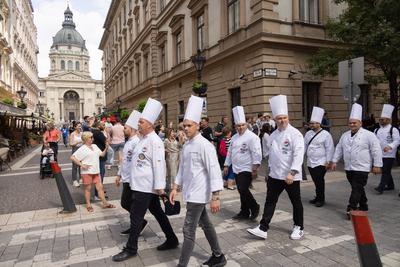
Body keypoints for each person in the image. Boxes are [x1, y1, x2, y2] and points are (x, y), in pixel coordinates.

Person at [112, 98, 178, 262]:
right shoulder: (143, 140)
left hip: (146, 187)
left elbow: (159, 165)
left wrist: (160, 187)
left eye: (141, 122)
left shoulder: (154, 141)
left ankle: (131, 248)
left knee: (135, 217)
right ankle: (172, 239)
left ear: (150, 124)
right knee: (159, 214)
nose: (138, 124)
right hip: (140, 185)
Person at [170, 95, 227, 267]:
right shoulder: (187, 145)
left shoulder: (205, 145)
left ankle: (182, 265)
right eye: (184, 126)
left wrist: (215, 197)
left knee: (188, 230)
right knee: (206, 224)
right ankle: (218, 256)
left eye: (189, 125)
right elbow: (182, 169)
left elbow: (214, 170)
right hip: (190, 191)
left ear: (197, 125)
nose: (185, 128)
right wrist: (175, 187)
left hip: (199, 194)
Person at [247, 95, 305, 240]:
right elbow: (272, 156)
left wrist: (292, 173)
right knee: (270, 201)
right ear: (275, 119)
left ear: (288, 118)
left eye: (284, 117)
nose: (282, 120)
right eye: (279, 118)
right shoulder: (273, 135)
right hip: (275, 175)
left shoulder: (295, 134)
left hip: (290, 176)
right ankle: (263, 227)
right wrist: (268, 172)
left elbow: (299, 155)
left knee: (296, 202)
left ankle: (299, 227)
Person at [331, 103, 382, 219]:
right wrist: (334, 161)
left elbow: (376, 150)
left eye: (354, 123)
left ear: (360, 123)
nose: (352, 125)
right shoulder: (345, 135)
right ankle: (363, 205)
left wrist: (377, 165)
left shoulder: (369, 135)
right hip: (349, 167)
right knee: (357, 188)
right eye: (350, 123)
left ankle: (351, 208)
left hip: (362, 167)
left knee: (356, 187)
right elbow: (339, 148)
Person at [224, 106, 262, 220]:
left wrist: (255, 168)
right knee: (241, 190)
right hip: (236, 168)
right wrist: (226, 165)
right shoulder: (234, 137)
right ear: (235, 126)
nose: (240, 127)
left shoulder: (252, 137)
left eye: (242, 125)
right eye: (238, 126)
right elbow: (230, 152)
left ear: (246, 125)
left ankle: (254, 207)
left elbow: (257, 153)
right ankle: (244, 212)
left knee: (242, 189)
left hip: (247, 168)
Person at [115, 110, 148, 235]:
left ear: (132, 129)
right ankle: (137, 224)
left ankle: (138, 223)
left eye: (125, 127)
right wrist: (119, 174)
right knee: (128, 204)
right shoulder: (129, 141)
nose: (123, 129)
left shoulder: (136, 142)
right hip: (126, 177)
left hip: (132, 179)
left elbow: (137, 163)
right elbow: (124, 161)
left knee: (126, 203)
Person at [70, 131, 115, 212]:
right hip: (87, 172)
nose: (92, 139)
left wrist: (106, 148)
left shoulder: (94, 146)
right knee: (88, 189)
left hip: (96, 171)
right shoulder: (82, 148)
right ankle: (88, 204)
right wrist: (82, 165)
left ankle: (105, 203)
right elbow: (72, 157)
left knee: (100, 188)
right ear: (86, 139)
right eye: (91, 137)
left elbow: (101, 155)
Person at [304, 107, 334, 207]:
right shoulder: (308, 133)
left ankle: (321, 199)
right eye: (311, 123)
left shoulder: (326, 134)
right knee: (315, 180)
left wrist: (328, 161)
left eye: (314, 123)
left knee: (319, 180)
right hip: (310, 161)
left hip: (321, 161)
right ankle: (317, 196)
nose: (312, 125)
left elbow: (330, 148)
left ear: (319, 123)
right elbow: (304, 146)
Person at [374, 104, 400, 194]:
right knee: (387, 170)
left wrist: (389, 146)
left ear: (388, 120)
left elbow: (397, 141)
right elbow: (374, 141)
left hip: (390, 154)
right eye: (380, 119)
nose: (381, 121)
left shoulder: (393, 129)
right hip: (380, 154)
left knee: (385, 170)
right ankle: (391, 185)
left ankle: (381, 187)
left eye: (383, 119)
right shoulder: (376, 130)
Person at [91, 121, 108, 200]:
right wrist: (107, 133)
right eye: (103, 125)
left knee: (100, 174)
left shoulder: (94, 132)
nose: (104, 126)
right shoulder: (98, 133)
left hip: (98, 155)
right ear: (98, 126)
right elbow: (107, 142)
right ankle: (97, 194)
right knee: (100, 175)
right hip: (101, 155)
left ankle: (99, 191)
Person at [164, 128, 180, 192]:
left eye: (173, 132)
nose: (173, 133)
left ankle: (176, 186)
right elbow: (162, 147)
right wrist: (166, 150)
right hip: (170, 157)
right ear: (169, 133)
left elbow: (180, 146)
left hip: (177, 156)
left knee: (176, 171)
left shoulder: (175, 139)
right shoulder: (166, 140)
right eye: (172, 132)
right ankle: (171, 186)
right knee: (171, 172)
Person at [69, 122, 83, 187]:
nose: (80, 127)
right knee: (75, 166)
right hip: (75, 150)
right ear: (75, 127)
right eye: (78, 126)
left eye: (80, 126)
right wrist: (77, 142)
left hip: (82, 150)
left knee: (81, 165)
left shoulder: (82, 133)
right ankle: (74, 180)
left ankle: (80, 178)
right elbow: (70, 144)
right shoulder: (72, 134)